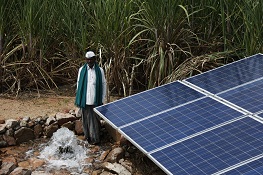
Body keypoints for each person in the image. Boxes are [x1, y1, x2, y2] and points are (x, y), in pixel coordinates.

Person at [75, 51, 106, 145]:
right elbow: (78, 83)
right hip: (85, 100)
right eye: (87, 59)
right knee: (85, 120)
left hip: (95, 99)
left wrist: (102, 98)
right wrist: (80, 97)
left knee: (95, 120)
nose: (89, 61)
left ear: (95, 59)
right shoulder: (82, 70)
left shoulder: (100, 70)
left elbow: (104, 84)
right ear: (85, 60)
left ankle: (95, 139)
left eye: (91, 59)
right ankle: (87, 137)